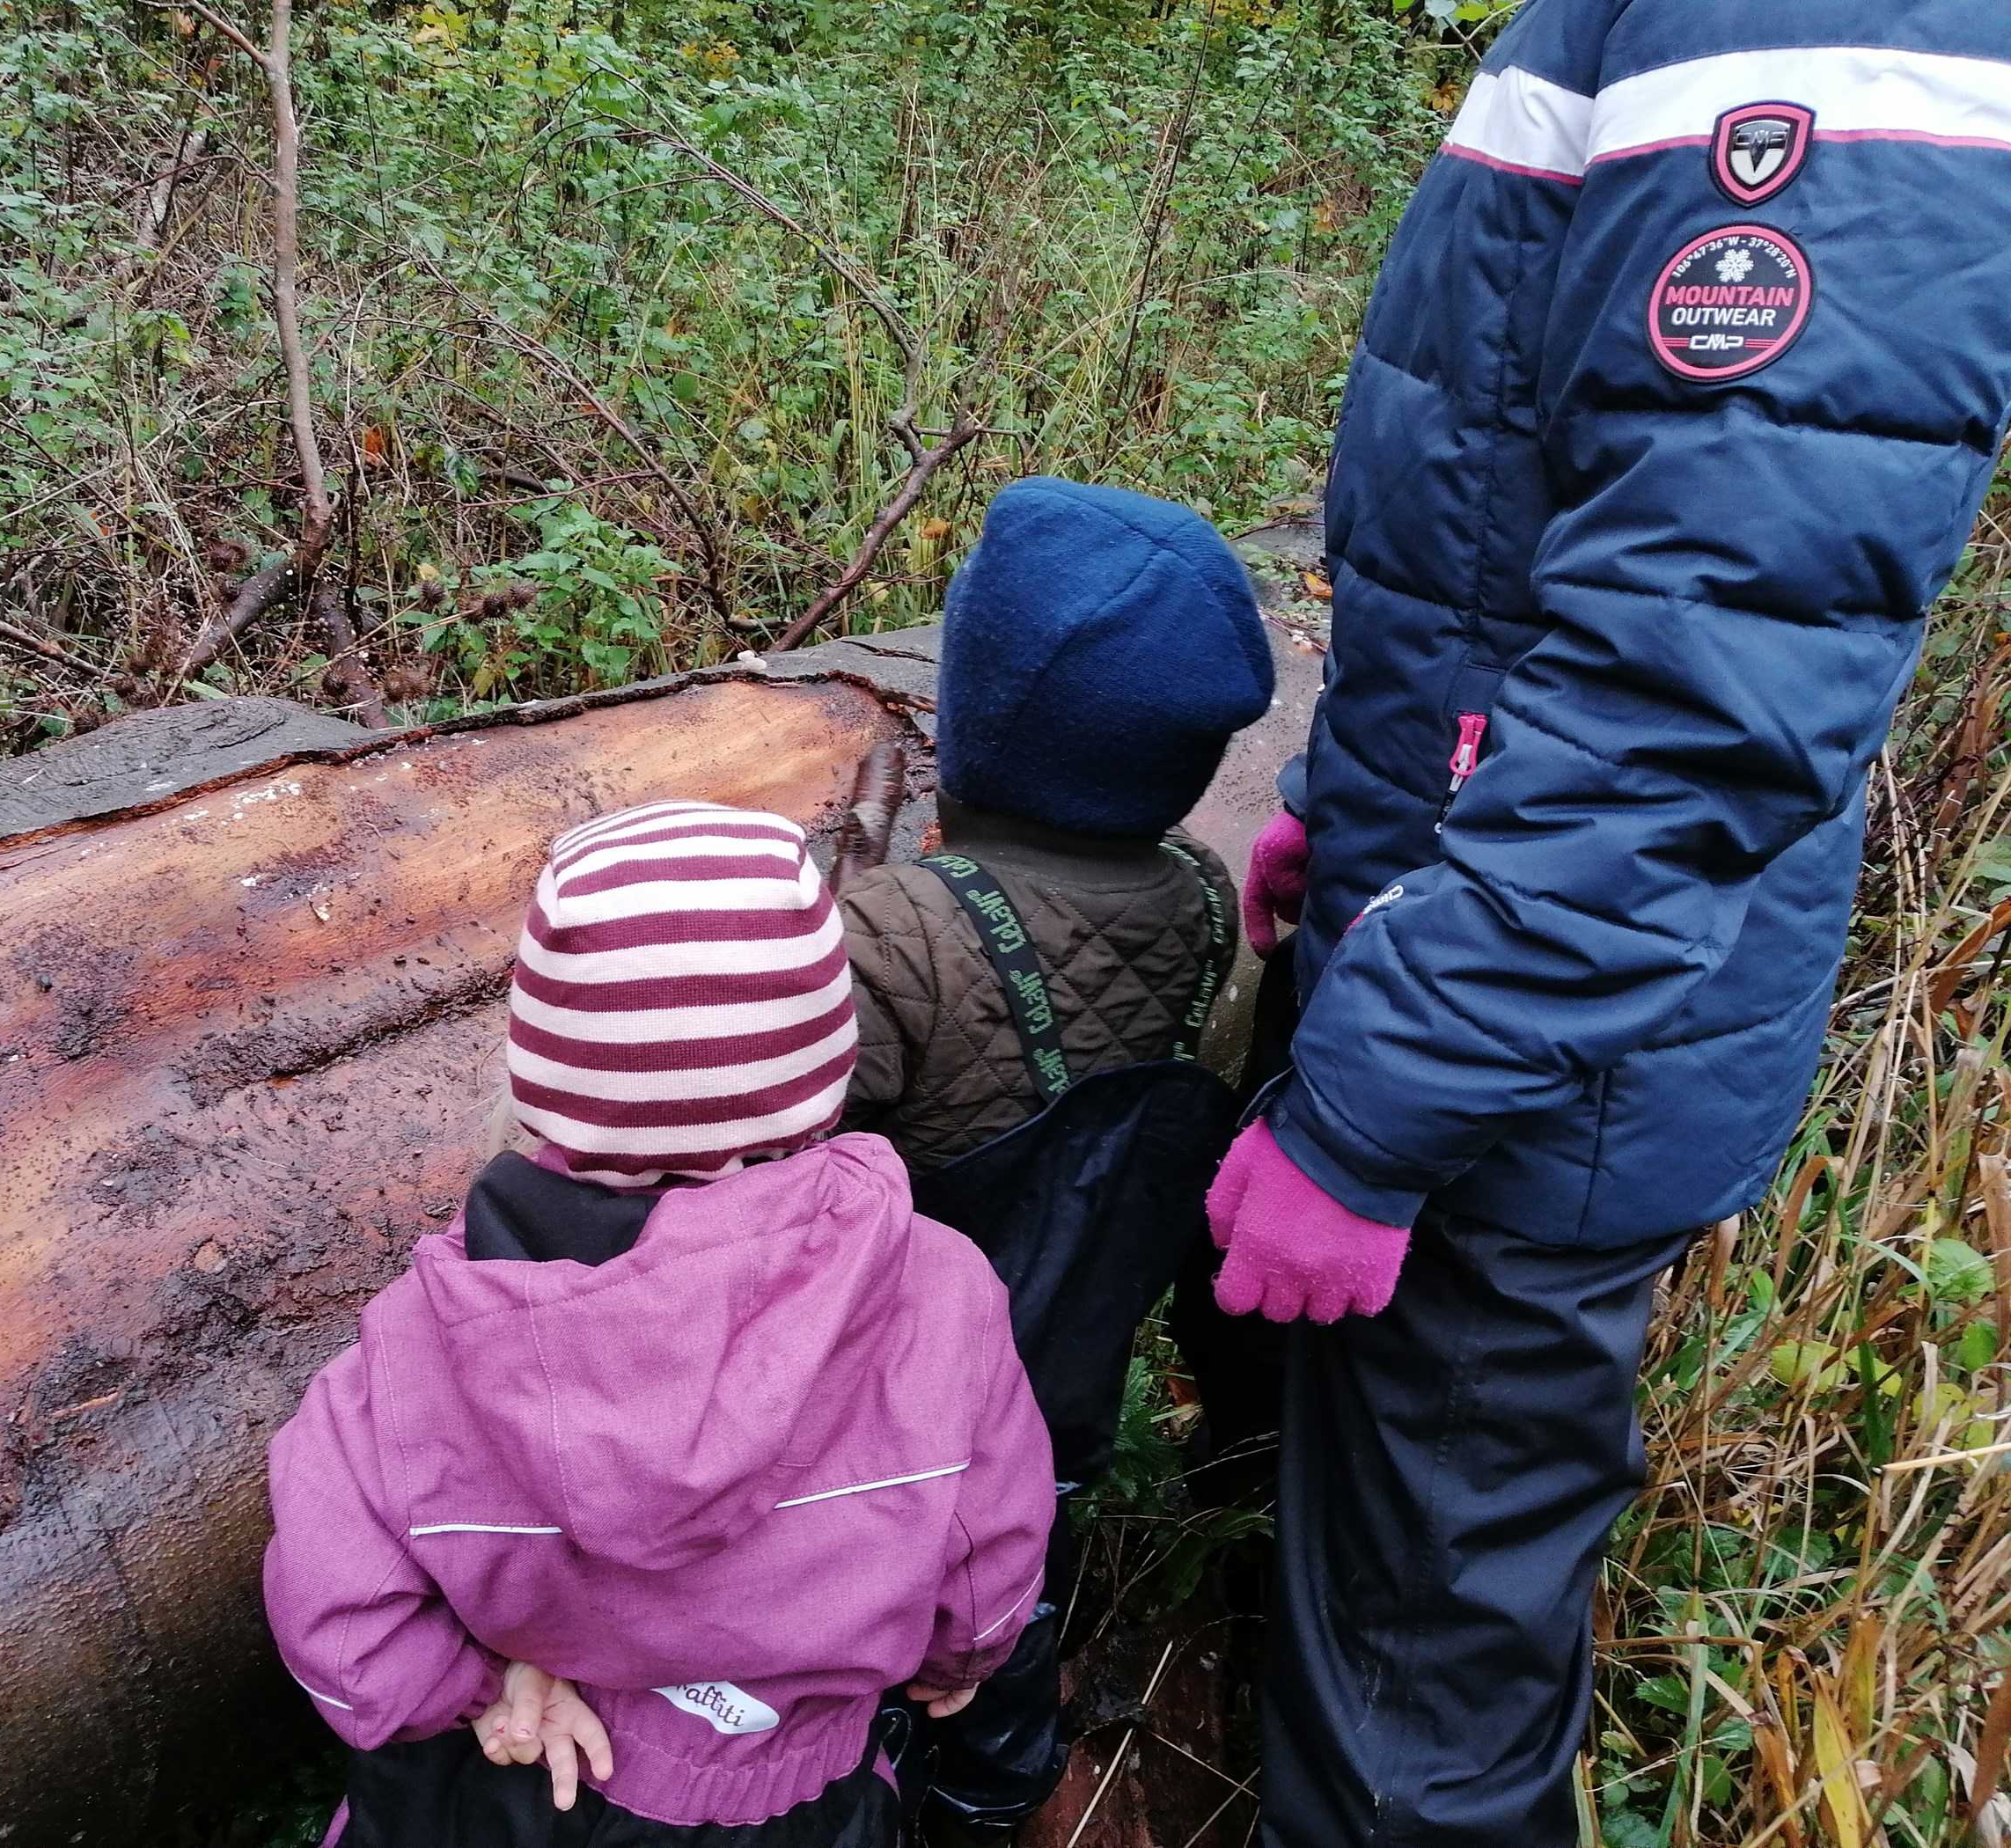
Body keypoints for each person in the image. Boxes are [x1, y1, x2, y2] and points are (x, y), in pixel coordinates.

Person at [1211, 4, 2011, 1843]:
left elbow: (1698, 680)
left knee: (1415, 1737)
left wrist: (1382, 1091)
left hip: (1528, 1075)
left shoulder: (1809, 29)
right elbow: (1505, 503)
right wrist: (1353, 821)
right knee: (1392, 1597)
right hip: (1483, 952)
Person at [261, 800, 1054, 1848]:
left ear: (543, 1081)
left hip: (514, 1791)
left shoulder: (423, 1334)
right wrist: (965, 1658)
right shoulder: (940, 1291)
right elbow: (986, 1543)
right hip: (796, 1796)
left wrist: (476, 1693)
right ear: (822, 1075)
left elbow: (338, 1607)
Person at [835, 476, 1278, 1839]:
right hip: (1070, 1386)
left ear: (985, 711)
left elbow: (764, 1163)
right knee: (1022, 1568)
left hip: (886, 1429)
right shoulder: (1211, 899)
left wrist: (827, 899)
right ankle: (1003, 1776)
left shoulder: (895, 935)